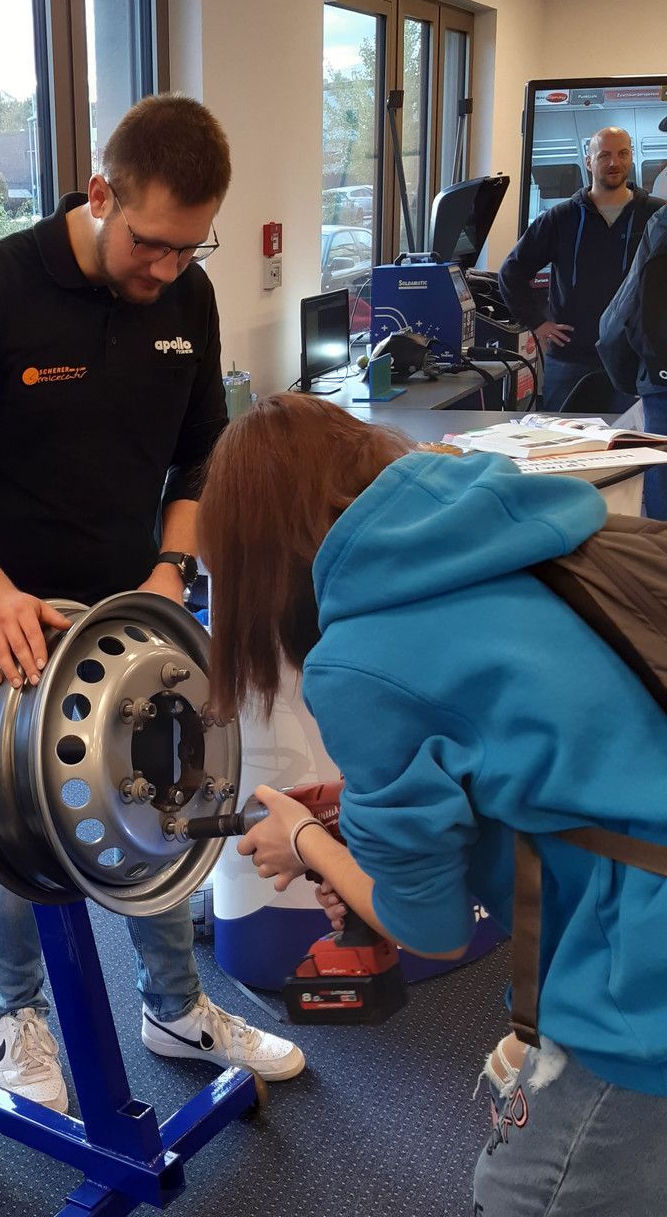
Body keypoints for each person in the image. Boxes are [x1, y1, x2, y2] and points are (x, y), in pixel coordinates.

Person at [0, 94, 304, 1113]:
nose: (165, 267)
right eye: (149, 242)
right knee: (21, 836)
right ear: (98, 193)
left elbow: (200, 454)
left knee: (173, 801)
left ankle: (175, 1007)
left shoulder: (185, 297)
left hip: (135, 615)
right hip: (9, 625)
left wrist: (171, 570)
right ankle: (16, 1013)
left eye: (188, 245)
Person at [197, 392, 667, 1216]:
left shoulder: (360, 658)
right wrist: (360, 810)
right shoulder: (525, 532)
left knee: (525, 1197)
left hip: (640, 977)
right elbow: (560, 744)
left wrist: (305, 841)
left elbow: (431, 926)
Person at [498, 126, 662, 411]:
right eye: (604, 155)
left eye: (622, 154)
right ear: (589, 161)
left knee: (631, 439)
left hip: (635, 362)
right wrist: (537, 323)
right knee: (558, 436)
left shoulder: (655, 216)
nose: (614, 162)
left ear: (631, 157)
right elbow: (511, 272)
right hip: (570, 361)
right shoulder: (561, 218)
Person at [598, 206, 667, 520]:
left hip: (660, 379)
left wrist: (629, 376)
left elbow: (625, 309)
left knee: (662, 485)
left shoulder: (662, 222)